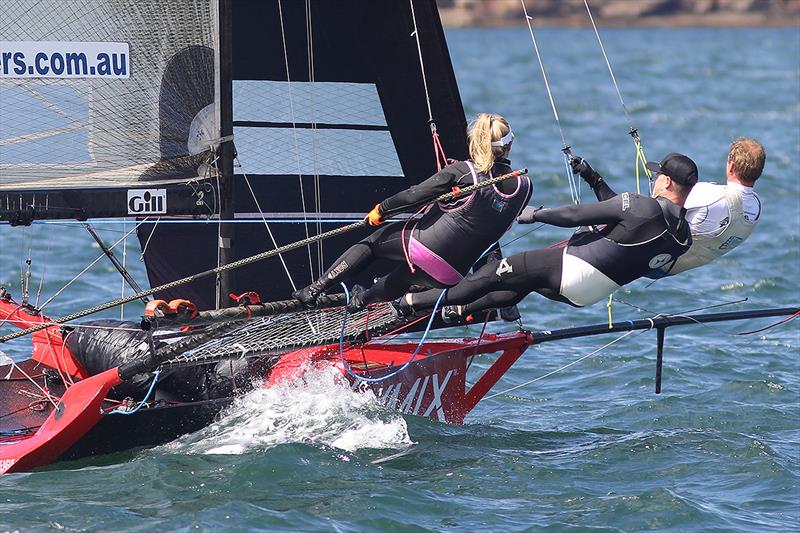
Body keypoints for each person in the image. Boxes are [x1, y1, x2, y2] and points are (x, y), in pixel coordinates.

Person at [393, 152, 698, 318]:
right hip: (584, 296)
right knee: (519, 284)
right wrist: (594, 178)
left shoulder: (641, 206)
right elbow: (629, 222)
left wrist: (535, 214)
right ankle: (462, 310)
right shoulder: (684, 238)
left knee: (487, 275)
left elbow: (574, 216)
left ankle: (410, 302)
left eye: (658, 175)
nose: (654, 178)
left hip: (568, 268)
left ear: (668, 182)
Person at [292, 113, 532, 312]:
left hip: (423, 246)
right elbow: (490, 211)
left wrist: (382, 209)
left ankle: (313, 290)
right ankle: (361, 301)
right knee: (404, 277)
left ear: (475, 142)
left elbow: (414, 195)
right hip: (450, 275)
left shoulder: (461, 171)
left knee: (373, 243)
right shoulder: (525, 186)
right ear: (510, 143)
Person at [648, 137, 765, 277]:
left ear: (731, 166)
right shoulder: (757, 206)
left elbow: (658, 205)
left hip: (651, 260)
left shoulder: (712, 196)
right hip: (671, 268)